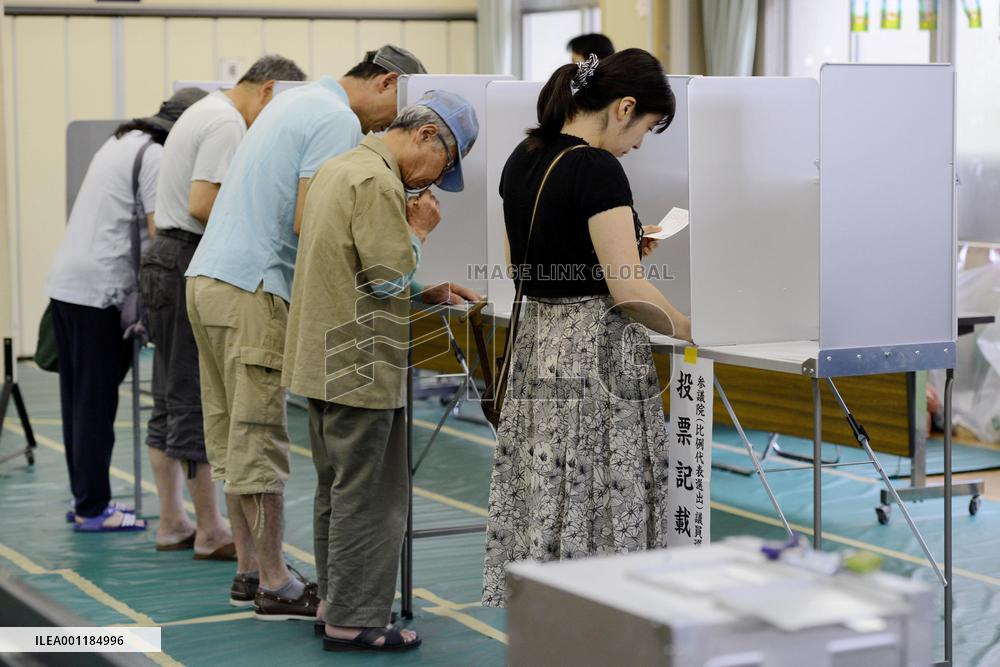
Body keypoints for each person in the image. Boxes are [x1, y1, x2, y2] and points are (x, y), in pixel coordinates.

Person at [184, 45, 428, 619]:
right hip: (255, 287)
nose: (386, 127)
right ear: (387, 82)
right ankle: (274, 580)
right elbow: (312, 218)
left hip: (210, 280)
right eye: (396, 110)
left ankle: (251, 571)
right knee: (258, 439)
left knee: (230, 438)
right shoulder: (337, 118)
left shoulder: (291, 102)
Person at [481, 48, 692, 607]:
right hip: (596, 356)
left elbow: (520, 266)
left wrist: (610, 248)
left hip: (538, 348)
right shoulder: (598, 169)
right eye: (646, 128)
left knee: (550, 491)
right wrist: (694, 328)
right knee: (602, 494)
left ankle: (552, 622)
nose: (639, 144)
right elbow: (629, 292)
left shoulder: (523, 156)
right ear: (624, 107)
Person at [283, 90, 480, 652]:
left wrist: (427, 290)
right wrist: (418, 233)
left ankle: (335, 602)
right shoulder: (379, 183)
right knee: (372, 496)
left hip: (325, 357)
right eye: (446, 164)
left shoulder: (340, 167)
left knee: (339, 490)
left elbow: (356, 266)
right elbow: (387, 275)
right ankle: (353, 619)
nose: (437, 182)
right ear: (426, 136)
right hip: (359, 362)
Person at [140, 56, 306, 557]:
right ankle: (210, 529)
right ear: (268, 90)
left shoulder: (205, 110)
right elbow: (203, 202)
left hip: (167, 257)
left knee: (170, 394)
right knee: (193, 395)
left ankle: (173, 519)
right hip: (193, 255)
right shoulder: (227, 123)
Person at [46, 87, 208, 532]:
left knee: (78, 402)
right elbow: (163, 232)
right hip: (102, 291)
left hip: (69, 284)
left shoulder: (121, 141)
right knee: (96, 404)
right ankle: (94, 508)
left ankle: (85, 498)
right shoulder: (157, 156)